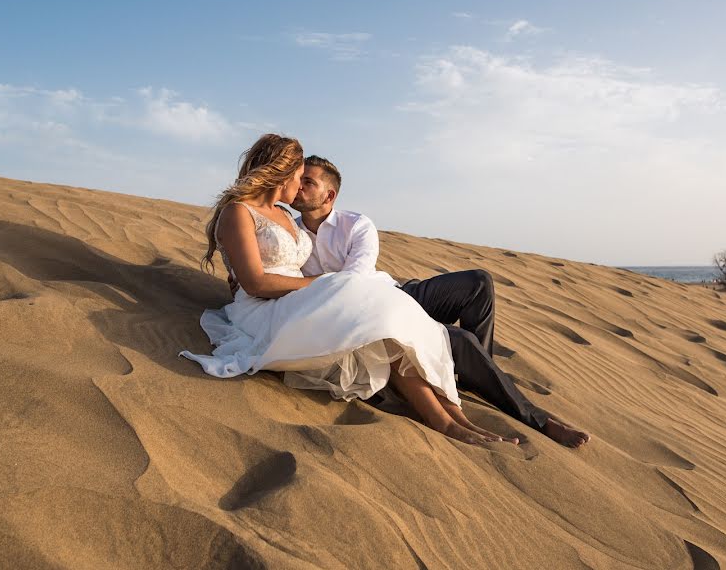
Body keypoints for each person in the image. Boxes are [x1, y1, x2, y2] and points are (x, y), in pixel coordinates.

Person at [180, 134, 505, 445]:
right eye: (299, 177)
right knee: (375, 326)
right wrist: (325, 286)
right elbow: (255, 282)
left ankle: (453, 412)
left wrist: (325, 288)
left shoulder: (286, 216)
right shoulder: (239, 212)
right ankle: (442, 421)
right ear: (283, 176)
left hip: (300, 297)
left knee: (383, 322)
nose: (300, 185)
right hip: (264, 307)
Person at [284, 155, 589, 448]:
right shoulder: (291, 235)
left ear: (329, 195)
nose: (297, 187)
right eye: (298, 181)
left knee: (478, 282)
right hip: (368, 317)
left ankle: (476, 374)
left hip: (393, 295)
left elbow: (357, 278)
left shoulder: (357, 225)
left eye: (307, 182)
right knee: (461, 340)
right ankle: (536, 418)